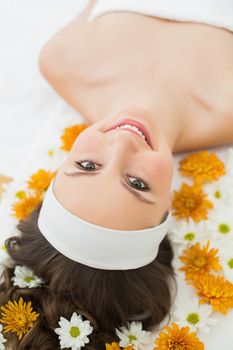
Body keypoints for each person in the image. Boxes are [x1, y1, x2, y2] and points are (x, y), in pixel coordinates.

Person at [1, 0, 233, 349]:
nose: (123, 143)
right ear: (167, 210)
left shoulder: (63, 61)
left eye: (87, 166)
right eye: (137, 184)